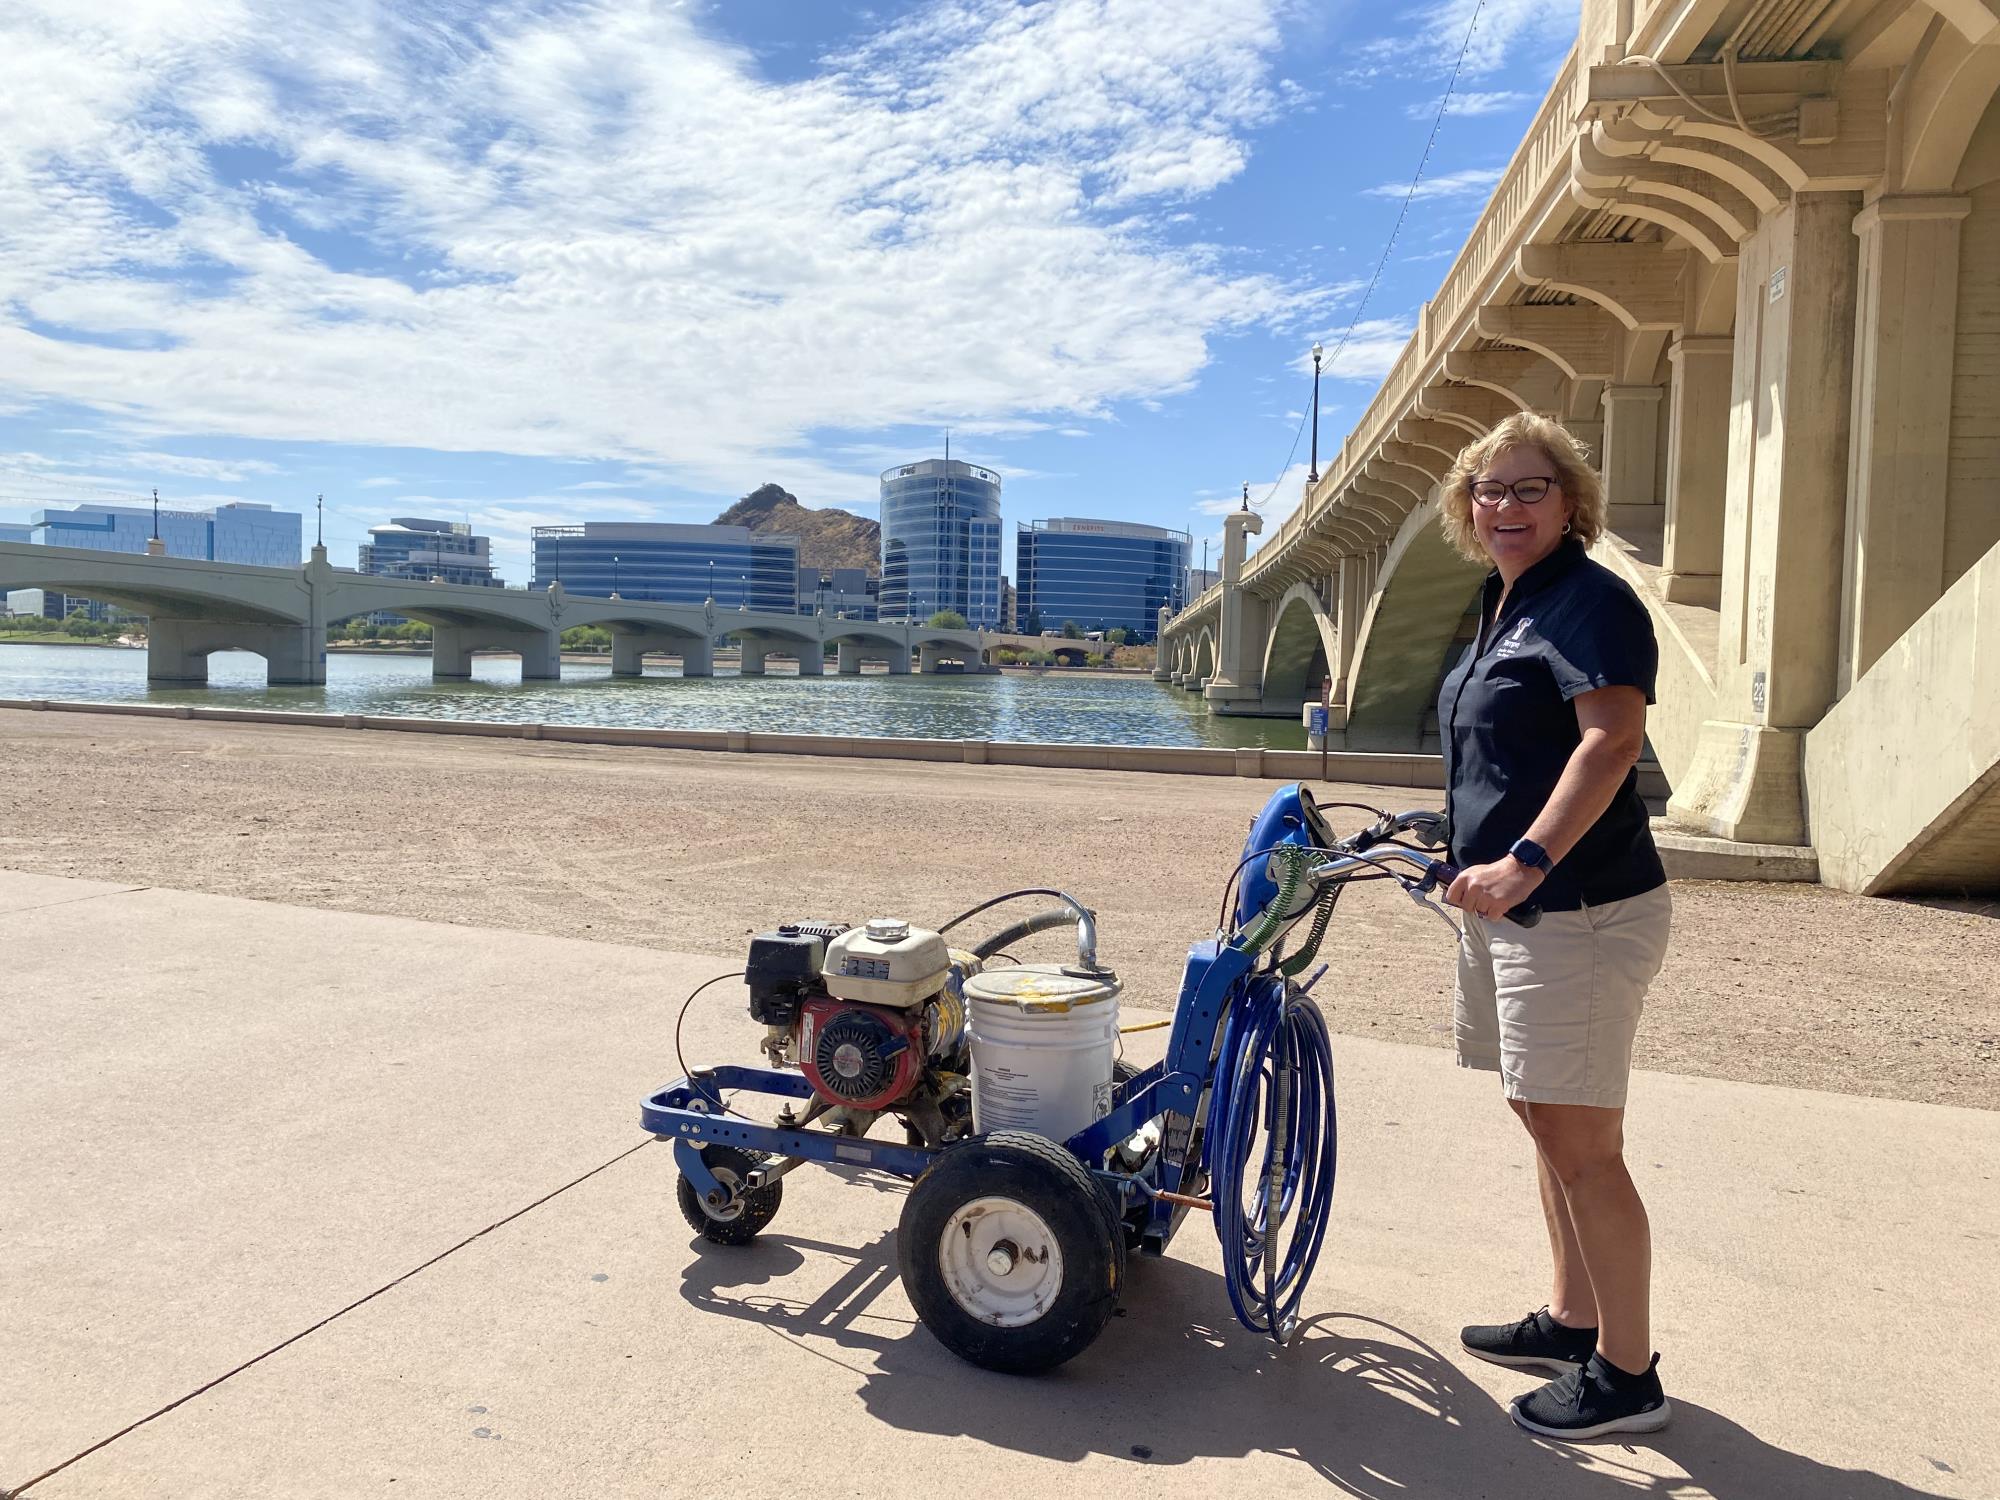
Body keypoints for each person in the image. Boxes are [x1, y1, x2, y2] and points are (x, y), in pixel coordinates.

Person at [1434, 412, 1674, 1440]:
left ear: (1570, 502)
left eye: (1528, 489)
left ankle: (1625, 1378)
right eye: (1488, 489)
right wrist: (1450, 832)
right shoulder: (1508, 605)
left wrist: (1524, 858)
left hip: (1573, 912)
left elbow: (1609, 741)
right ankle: (1574, 1322)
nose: (1504, 507)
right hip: (1514, 913)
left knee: (1584, 1148)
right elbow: (1507, 751)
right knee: (1544, 1119)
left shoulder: (1587, 602)